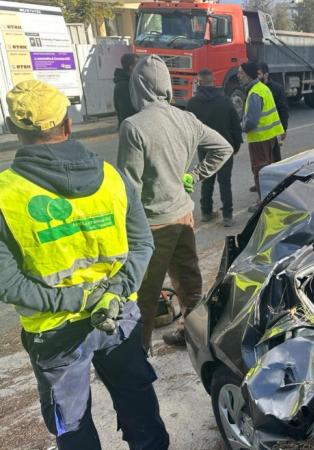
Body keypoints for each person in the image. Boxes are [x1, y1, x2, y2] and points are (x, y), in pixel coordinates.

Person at [0, 80, 168, 449]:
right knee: (140, 409)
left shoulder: (5, 194)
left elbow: (8, 282)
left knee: (73, 428)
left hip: (54, 334)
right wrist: (113, 292)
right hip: (117, 317)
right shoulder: (112, 177)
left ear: (13, 130)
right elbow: (142, 244)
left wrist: (77, 299)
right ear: (68, 124)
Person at [118, 55, 233, 348]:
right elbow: (224, 148)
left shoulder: (133, 127)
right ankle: (195, 338)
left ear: (138, 87)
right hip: (183, 216)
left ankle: (140, 356)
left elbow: (129, 187)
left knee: (144, 295)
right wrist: (193, 175)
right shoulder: (186, 118)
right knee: (189, 283)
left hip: (152, 226)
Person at [186, 69, 242, 227]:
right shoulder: (225, 101)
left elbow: (188, 129)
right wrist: (236, 146)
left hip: (204, 148)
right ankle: (227, 216)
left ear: (200, 83)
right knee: (225, 182)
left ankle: (206, 212)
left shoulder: (192, 104)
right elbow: (235, 126)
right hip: (225, 147)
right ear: (213, 82)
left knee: (206, 179)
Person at [237, 61, 285, 203]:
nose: (238, 75)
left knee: (260, 170)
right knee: (270, 168)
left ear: (248, 75)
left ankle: (263, 200)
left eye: (241, 73)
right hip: (270, 136)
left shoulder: (255, 93)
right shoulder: (262, 88)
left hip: (260, 139)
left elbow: (251, 122)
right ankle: (272, 195)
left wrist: (239, 126)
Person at [258, 62, 289, 162]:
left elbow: (283, 109)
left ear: (266, 75)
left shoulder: (277, 89)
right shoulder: (255, 89)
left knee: (274, 161)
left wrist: (283, 128)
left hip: (272, 134)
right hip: (260, 135)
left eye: (258, 74)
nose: (256, 77)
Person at [113, 53, 138, 126]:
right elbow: (127, 112)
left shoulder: (130, 82)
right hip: (130, 127)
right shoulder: (123, 86)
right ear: (131, 67)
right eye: (137, 64)